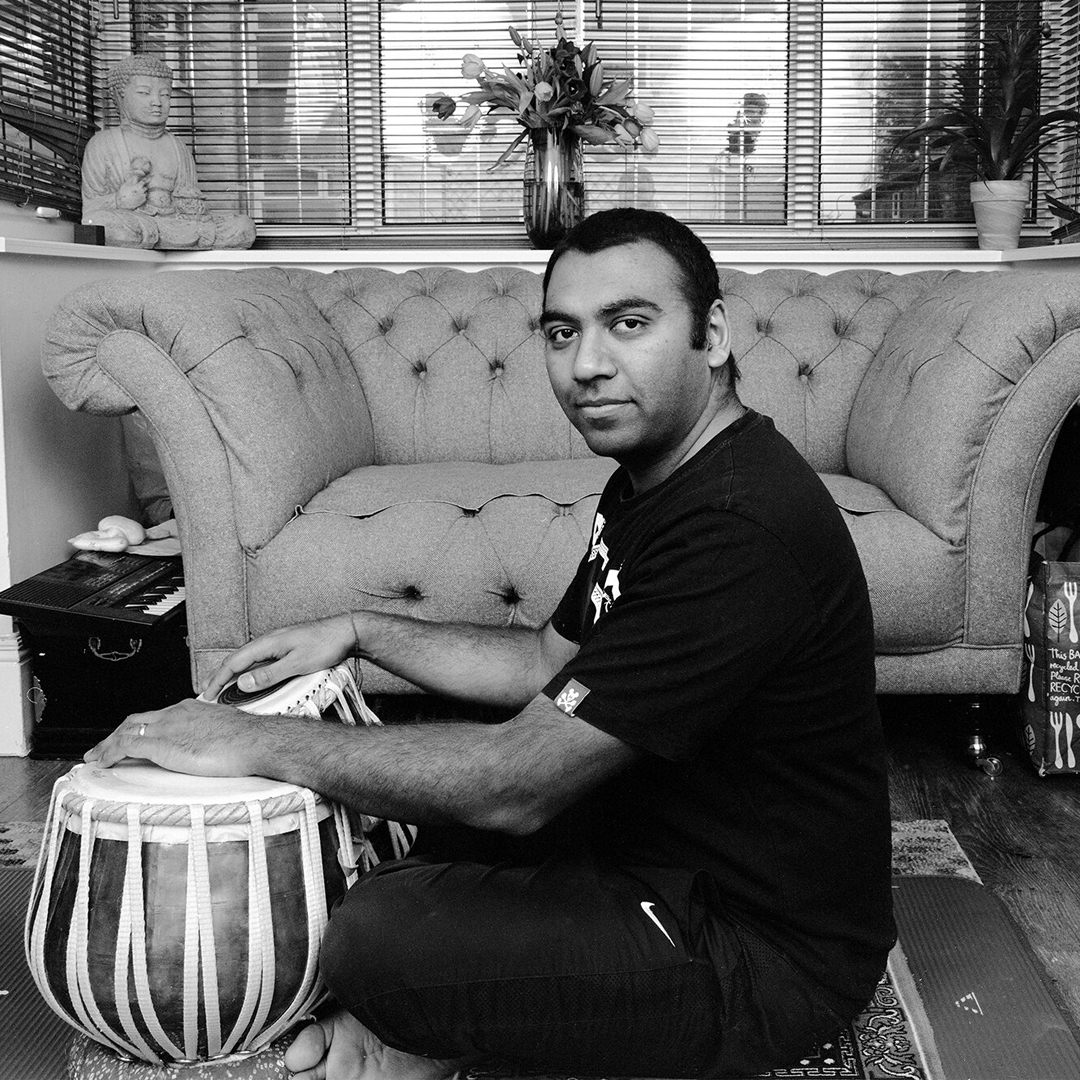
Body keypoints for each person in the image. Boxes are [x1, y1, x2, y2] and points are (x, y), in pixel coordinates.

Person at [86, 208, 895, 1079]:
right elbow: (548, 660)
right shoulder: (659, 478)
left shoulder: (740, 524)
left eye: (629, 324)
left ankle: (433, 1029)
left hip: (763, 954)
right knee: (412, 831)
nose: (587, 365)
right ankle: (464, 1017)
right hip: (658, 846)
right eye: (562, 331)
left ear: (714, 333)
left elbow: (516, 787)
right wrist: (360, 633)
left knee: (378, 938)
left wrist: (250, 740)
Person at [81, 54, 255, 250]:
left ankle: (169, 239)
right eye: (144, 93)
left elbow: (192, 203)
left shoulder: (177, 147)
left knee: (243, 226)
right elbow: (90, 210)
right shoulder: (103, 144)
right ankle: (176, 239)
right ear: (121, 97)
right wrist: (120, 199)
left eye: (165, 95)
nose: (157, 102)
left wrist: (190, 208)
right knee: (103, 224)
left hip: (177, 224)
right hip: (135, 222)